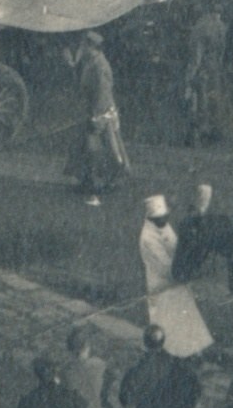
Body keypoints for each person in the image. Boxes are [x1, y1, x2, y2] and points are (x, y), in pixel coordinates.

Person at [139, 193, 213, 357]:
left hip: (175, 283)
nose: (165, 220)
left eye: (165, 216)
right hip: (162, 285)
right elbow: (166, 268)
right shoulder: (147, 238)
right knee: (168, 324)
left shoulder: (163, 226)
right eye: (161, 218)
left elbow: (176, 247)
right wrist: (188, 269)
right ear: (151, 219)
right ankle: (172, 353)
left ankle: (193, 352)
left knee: (186, 318)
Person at [68, 32, 126, 206]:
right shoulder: (91, 62)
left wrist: (96, 115)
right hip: (92, 110)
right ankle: (89, 181)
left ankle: (103, 182)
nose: (82, 49)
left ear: (91, 46)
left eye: (84, 46)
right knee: (87, 148)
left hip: (100, 113)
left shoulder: (99, 65)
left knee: (100, 150)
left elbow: (102, 92)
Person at [182, 3, 229, 145]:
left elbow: (196, 56)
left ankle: (199, 133)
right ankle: (215, 131)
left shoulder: (200, 28)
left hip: (203, 68)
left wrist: (190, 76)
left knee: (199, 100)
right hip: (215, 67)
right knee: (214, 98)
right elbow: (222, 51)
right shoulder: (221, 26)